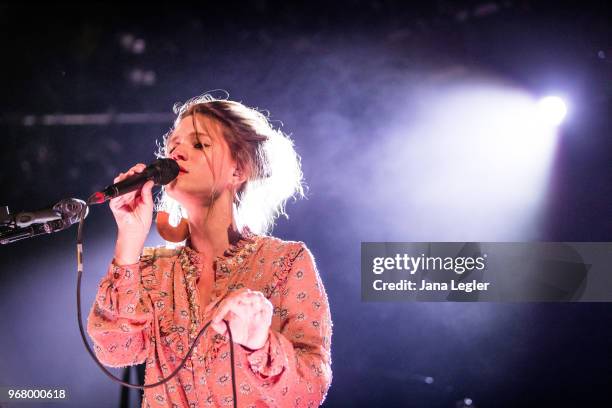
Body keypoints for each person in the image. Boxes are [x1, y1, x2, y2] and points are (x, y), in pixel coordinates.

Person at [87, 94, 333, 407]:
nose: (177, 151)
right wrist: (130, 238)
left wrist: (260, 344)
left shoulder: (285, 262)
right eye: (173, 145)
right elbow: (115, 350)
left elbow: (310, 391)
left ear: (238, 170)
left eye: (200, 144)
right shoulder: (150, 267)